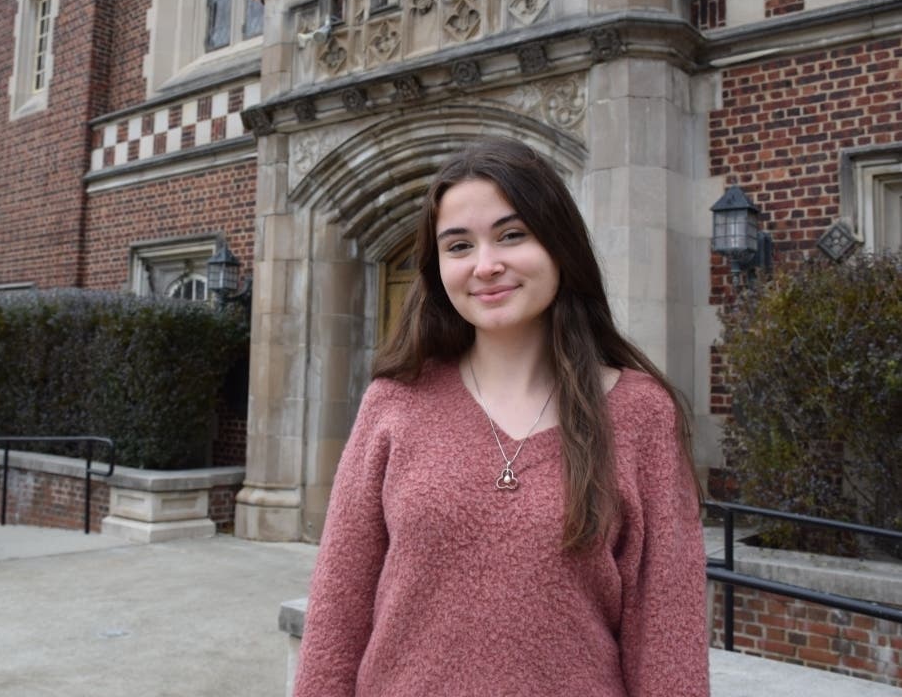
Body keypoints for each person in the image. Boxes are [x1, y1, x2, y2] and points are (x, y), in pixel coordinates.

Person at [293, 137, 709, 696]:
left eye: (512, 235)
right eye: (459, 246)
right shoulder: (394, 403)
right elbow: (337, 611)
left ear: (559, 244)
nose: (486, 266)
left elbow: (668, 637)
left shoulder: (641, 414)